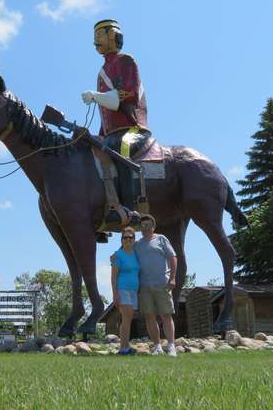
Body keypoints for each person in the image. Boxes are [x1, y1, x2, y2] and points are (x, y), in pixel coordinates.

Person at [81, 19, 150, 224]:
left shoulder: (126, 61)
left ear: (112, 35)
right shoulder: (102, 72)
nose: (96, 40)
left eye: (100, 35)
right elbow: (106, 113)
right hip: (111, 132)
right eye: (95, 36)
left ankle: (129, 209)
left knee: (123, 150)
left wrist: (96, 96)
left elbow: (128, 94)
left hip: (133, 129)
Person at [135, 215, 178, 356]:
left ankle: (171, 346)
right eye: (143, 226)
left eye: (148, 225)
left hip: (162, 284)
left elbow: (173, 258)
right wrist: (115, 257)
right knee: (149, 317)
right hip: (145, 286)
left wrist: (172, 278)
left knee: (166, 315)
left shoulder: (161, 239)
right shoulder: (137, 244)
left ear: (153, 227)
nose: (145, 228)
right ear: (140, 228)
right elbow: (126, 254)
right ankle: (157, 346)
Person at [111, 227, 141, 355]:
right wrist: (115, 294)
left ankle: (125, 346)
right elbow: (113, 277)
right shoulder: (118, 255)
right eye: (125, 237)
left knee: (128, 318)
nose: (128, 239)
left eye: (131, 237)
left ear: (134, 239)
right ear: (121, 240)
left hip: (134, 291)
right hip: (122, 289)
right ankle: (123, 348)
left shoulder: (135, 254)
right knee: (126, 318)